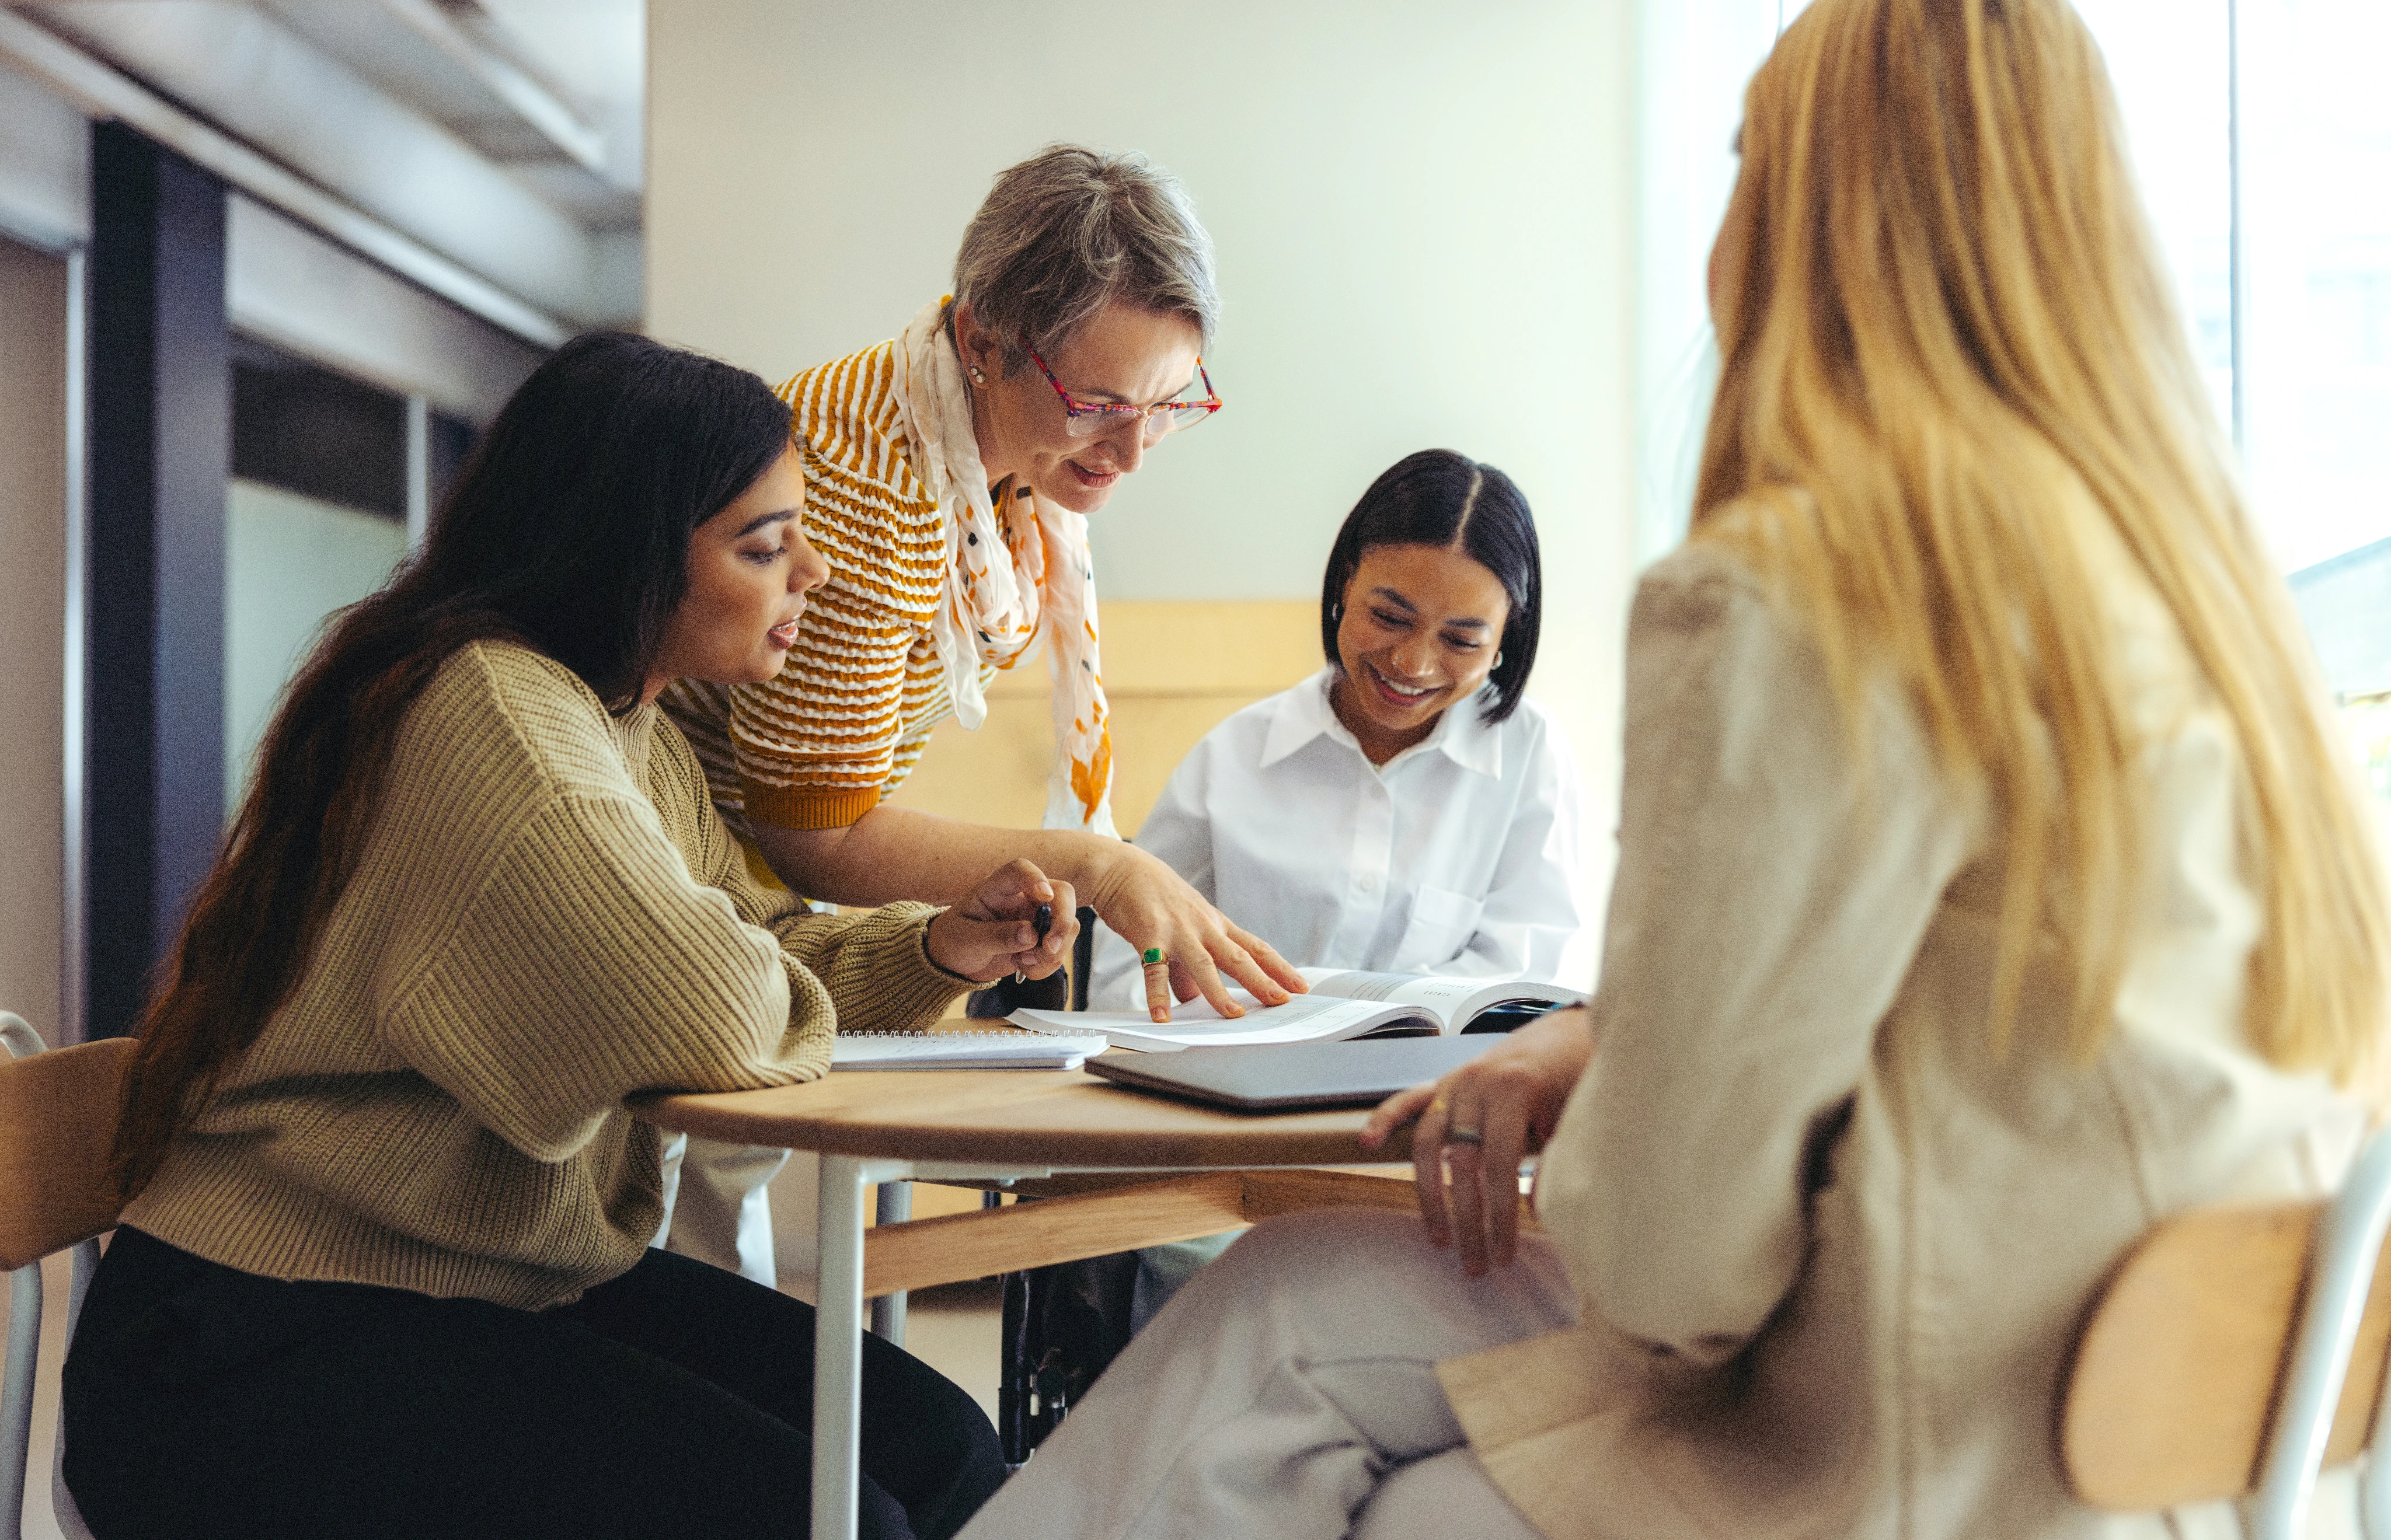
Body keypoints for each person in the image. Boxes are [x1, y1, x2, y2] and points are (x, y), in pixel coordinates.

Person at [954, 2, 2391, 1537]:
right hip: (2175, 1442)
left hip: (1911, 1438)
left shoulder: (1789, 593)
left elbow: (1666, 1266)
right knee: (1296, 1310)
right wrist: (1598, 1043)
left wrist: (1625, 1090)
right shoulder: (2213, 605)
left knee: (1286, 1347)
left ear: (1810, 221)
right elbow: (1968, 993)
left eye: (1743, 162)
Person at [62, 334, 1043, 1539]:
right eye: (763, 543)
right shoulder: (497, 714)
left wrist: (935, 948)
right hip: (258, 1333)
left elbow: (750, 952)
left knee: (936, 1447)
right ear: (632, 548)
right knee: (829, 1514)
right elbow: (703, 1007)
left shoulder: (623, 723)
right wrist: (755, 965)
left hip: (492, 1273)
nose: (816, 573)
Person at [657, 142, 1306, 1281]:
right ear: (980, 341)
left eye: (1168, 403)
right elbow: (812, 826)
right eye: (1102, 403)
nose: (1134, 448)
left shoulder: (997, 453)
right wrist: (1090, 862)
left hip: (748, 858)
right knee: (682, 1219)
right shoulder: (859, 491)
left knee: (731, 1202)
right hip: (676, 860)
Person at [1090, 448, 1588, 1011]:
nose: (1413, 663)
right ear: (1346, 583)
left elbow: (1530, 982)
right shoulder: (1234, 757)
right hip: (1234, 1080)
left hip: (1436, 1088)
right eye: (1390, 618)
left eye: (1461, 641)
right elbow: (1124, 978)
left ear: (1505, 641)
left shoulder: (1530, 756)